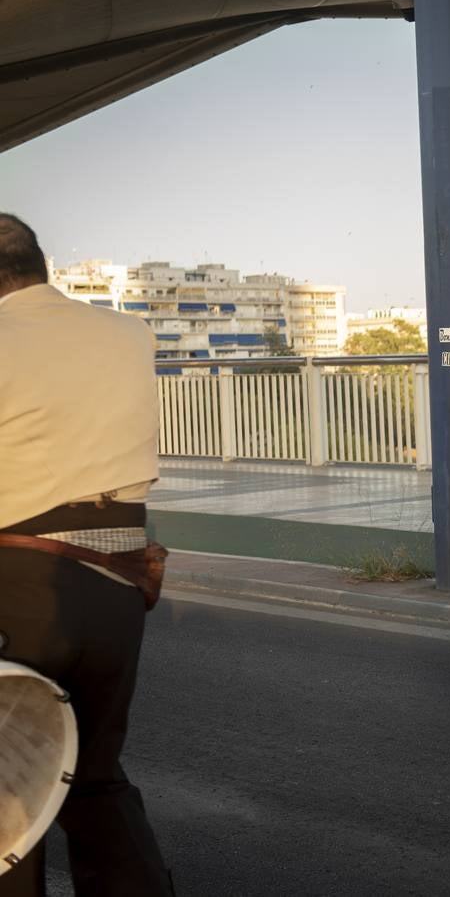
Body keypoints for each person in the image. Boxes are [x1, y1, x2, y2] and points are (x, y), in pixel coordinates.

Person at [0, 213, 175, 896]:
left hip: (20, 580)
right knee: (93, 774)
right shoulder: (128, 331)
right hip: (120, 580)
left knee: (11, 788)